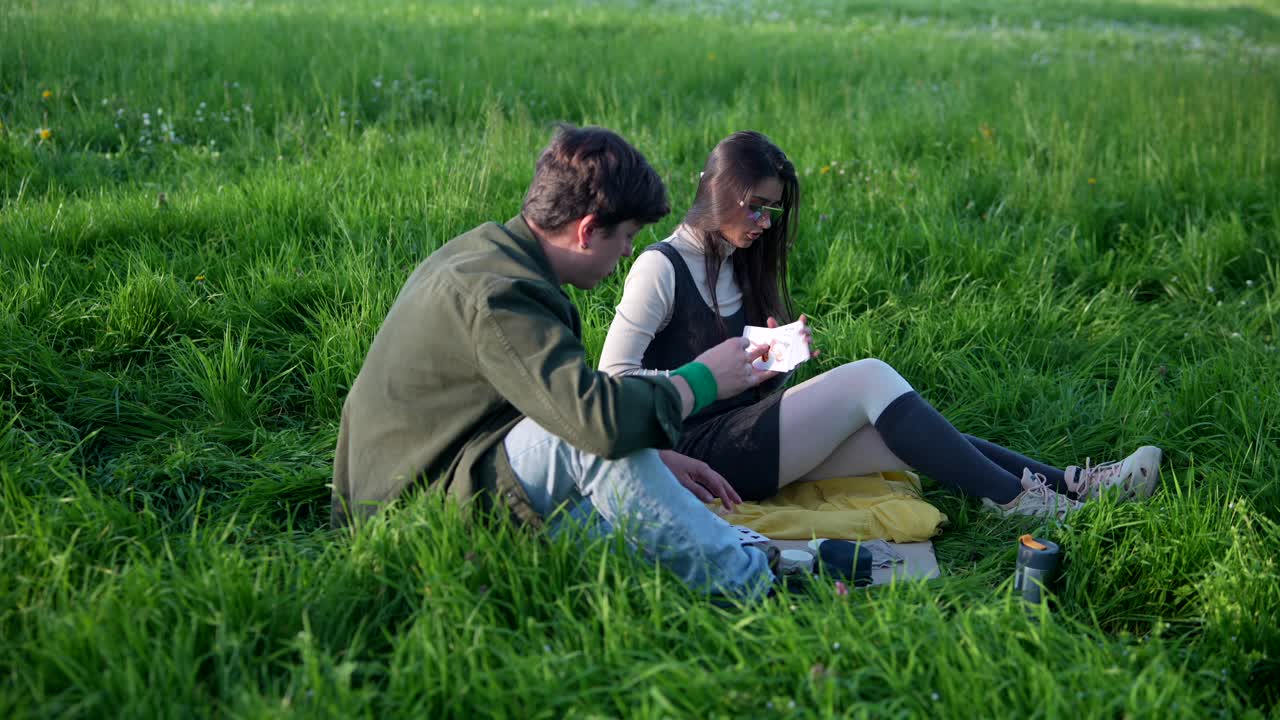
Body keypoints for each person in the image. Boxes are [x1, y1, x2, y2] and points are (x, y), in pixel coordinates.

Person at [600, 130, 1162, 519]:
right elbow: (611, 383)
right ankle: (1024, 507)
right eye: (757, 207)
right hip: (695, 456)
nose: (766, 223)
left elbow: (747, 398)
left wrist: (773, 365)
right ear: (718, 190)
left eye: (773, 211)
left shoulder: (740, 266)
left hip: (743, 439)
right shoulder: (660, 267)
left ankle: (1074, 485)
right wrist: (699, 376)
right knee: (870, 377)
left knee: (904, 438)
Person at [331, 125, 784, 598]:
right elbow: (593, 423)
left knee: (640, 553)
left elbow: (553, 402)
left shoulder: (494, 254)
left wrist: (656, 455)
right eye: (627, 235)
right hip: (409, 514)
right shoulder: (501, 296)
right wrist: (702, 380)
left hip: (459, 466)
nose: (630, 250)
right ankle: (755, 587)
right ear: (588, 231)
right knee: (596, 439)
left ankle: (748, 562)